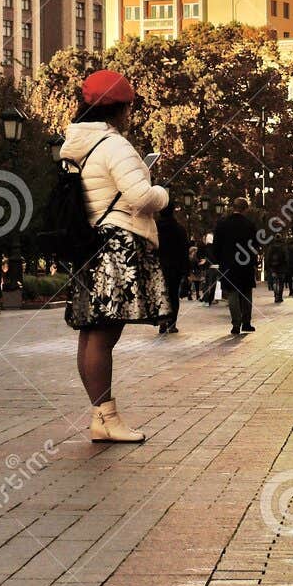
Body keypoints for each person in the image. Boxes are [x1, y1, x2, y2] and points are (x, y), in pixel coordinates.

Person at [61, 69, 170, 443]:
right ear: (118, 109)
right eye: (128, 107)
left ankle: (101, 416)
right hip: (117, 246)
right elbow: (140, 198)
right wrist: (162, 193)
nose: (129, 114)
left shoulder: (76, 146)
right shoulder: (115, 146)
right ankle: (107, 417)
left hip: (89, 244)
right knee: (104, 335)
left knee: (90, 333)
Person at [212, 197, 259, 335]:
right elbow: (254, 245)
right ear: (246, 209)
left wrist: (219, 260)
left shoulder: (222, 224)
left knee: (232, 293)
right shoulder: (249, 224)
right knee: (246, 292)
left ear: (233, 207)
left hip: (228, 264)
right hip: (245, 264)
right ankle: (246, 322)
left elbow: (216, 245)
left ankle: (236, 324)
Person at [155, 205, 189, 334]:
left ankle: (162, 322)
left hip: (159, 266)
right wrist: (185, 270)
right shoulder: (179, 229)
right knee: (173, 295)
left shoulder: (155, 228)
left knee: (161, 294)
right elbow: (184, 250)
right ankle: (172, 324)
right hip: (175, 267)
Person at [265, 237, 287, 303]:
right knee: (281, 283)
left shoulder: (271, 248)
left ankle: (275, 295)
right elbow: (286, 258)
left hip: (273, 268)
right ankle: (280, 296)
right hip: (281, 268)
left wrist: (268, 267)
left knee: (274, 281)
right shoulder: (283, 248)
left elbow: (268, 258)